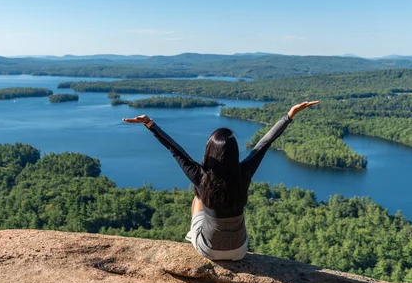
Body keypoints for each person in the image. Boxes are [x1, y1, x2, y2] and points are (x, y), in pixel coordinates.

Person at [122, 100, 319, 261]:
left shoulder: (201, 176)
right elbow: (265, 143)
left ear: (210, 152)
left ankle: (193, 235)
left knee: (198, 196)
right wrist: (288, 116)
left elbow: (175, 149)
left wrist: (150, 124)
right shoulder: (244, 172)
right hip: (240, 251)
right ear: (234, 153)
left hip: (208, 251)